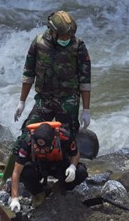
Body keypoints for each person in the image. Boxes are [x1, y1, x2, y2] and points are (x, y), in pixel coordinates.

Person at [6, 10, 91, 179]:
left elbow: (85, 80)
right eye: (63, 35)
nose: (67, 38)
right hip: (44, 100)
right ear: (52, 32)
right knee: (25, 135)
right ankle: (9, 179)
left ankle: (67, 177)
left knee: (68, 138)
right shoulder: (38, 43)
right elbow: (28, 73)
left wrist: (86, 110)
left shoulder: (78, 46)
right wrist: (21, 101)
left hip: (68, 100)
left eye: (69, 35)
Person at [8, 122, 87, 213]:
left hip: (59, 165)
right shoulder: (27, 142)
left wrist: (72, 167)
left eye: (45, 149)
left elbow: (75, 154)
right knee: (25, 173)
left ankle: (60, 188)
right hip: (38, 166)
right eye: (39, 148)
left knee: (81, 172)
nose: (42, 151)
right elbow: (16, 172)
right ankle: (39, 193)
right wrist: (14, 199)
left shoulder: (64, 138)